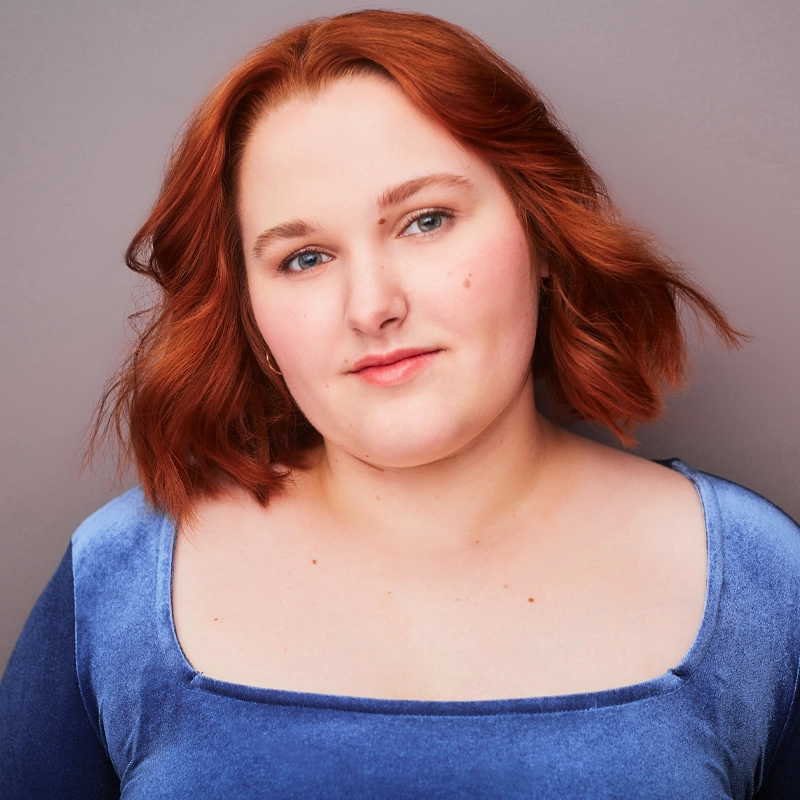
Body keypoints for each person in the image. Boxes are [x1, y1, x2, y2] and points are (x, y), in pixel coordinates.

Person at [1, 9, 798, 798]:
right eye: (304, 257)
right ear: (250, 312)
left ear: (542, 236)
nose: (371, 306)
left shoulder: (761, 584)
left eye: (426, 220)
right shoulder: (117, 588)